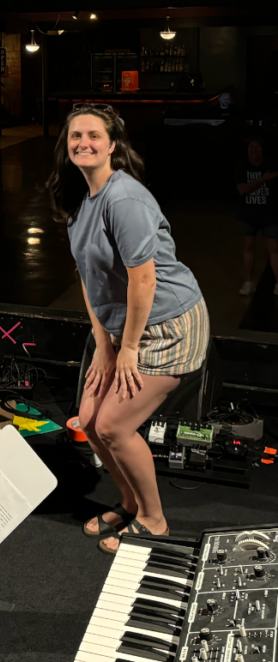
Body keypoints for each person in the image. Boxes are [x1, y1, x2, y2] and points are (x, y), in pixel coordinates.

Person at [45, 104, 208, 554]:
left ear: (112, 145)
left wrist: (128, 348)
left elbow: (144, 279)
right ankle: (131, 502)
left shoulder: (124, 198)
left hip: (168, 325)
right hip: (123, 329)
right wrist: (103, 345)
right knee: (90, 422)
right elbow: (87, 276)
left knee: (114, 425)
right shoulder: (82, 200)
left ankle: (154, 521)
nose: (84, 143)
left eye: (94, 135)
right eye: (76, 136)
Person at [235, 136, 278, 296]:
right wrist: (263, 180)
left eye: (257, 147)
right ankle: (248, 282)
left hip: (269, 214)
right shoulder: (242, 166)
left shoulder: (271, 165)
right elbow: (242, 189)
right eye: (251, 147)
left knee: (274, 248)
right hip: (248, 215)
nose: (254, 150)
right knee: (248, 247)